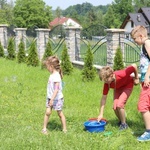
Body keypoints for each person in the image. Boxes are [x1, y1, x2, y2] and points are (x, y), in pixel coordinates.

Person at [97, 64, 139, 130]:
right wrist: (101, 114)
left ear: (111, 75)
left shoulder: (122, 74)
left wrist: (136, 78)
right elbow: (103, 98)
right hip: (118, 88)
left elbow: (134, 66)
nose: (105, 82)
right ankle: (122, 121)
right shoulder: (107, 84)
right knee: (115, 107)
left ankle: (124, 125)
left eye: (106, 80)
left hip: (127, 86)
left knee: (120, 105)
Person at [131, 25, 150, 141]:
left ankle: (148, 132)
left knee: (143, 106)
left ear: (141, 36)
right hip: (146, 80)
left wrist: (147, 77)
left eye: (135, 39)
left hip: (149, 80)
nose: (135, 41)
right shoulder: (145, 44)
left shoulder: (147, 43)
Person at [42, 56, 67, 134]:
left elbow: (56, 89)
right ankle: (44, 128)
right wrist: (50, 98)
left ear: (52, 66)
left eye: (47, 67)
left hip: (57, 99)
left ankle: (64, 129)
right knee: (47, 112)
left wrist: (52, 99)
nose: (47, 68)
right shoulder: (52, 74)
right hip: (50, 98)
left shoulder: (56, 76)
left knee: (60, 114)